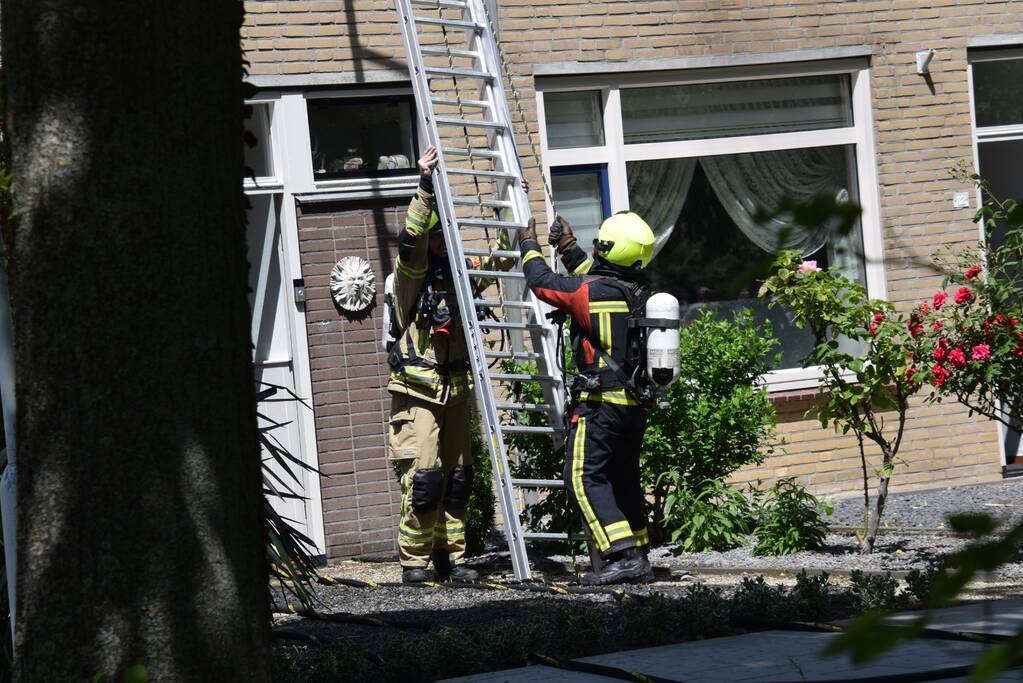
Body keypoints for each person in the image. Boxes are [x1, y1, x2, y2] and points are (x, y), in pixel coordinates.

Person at [387, 145, 514, 583]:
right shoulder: (410, 278)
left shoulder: (461, 273)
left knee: (458, 477)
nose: (445, 244)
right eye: (439, 237)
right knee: (424, 479)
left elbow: (497, 262)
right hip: (417, 392)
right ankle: (413, 562)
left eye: (448, 237)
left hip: (457, 390)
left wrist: (510, 209)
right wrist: (424, 185)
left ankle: (451, 557)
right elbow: (410, 241)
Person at [518, 212, 657, 584]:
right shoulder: (637, 291)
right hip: (632, 405)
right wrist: (567, 247)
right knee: (622, 476)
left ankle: (623, 555)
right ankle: (638, 553)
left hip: (599, 406)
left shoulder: (591, 292)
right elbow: (594, 279)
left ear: (609, 249)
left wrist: (528, 245)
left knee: (581, 476)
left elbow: (544, 284)